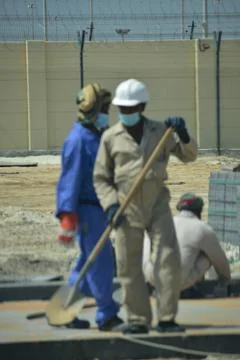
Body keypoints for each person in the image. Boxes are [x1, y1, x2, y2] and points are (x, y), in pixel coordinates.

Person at [93, 78, 198, 334]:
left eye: (131, 108)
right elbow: (101, 178)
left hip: (157, 205)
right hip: (125, 210)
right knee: (129, 267)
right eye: (122, 109)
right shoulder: (110, 137)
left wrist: (182, 134)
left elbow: (189, 155)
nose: (126, 113)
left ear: (142, 106)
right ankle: (138, 320)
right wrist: (109, 206)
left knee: (167, 261)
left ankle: (166, 318)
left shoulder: (161, 132)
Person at [56, 83, 123, 331]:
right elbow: (69, 180)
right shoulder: (78, 140)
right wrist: (67, 217)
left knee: (88, 263)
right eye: (104, 108)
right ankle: (107, 315)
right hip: (87, 211)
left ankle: (64, 311)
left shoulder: (93, 135)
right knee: (102, 262)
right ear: (93, 109)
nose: (107, 113)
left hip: (98, 209)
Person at [143, 193, 231, 295]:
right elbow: (220, 260)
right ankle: (191, 289)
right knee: (207, 255)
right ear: (199, 211)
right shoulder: (202, 228)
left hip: (150, 276)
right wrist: (226, 280)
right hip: (176, 281)